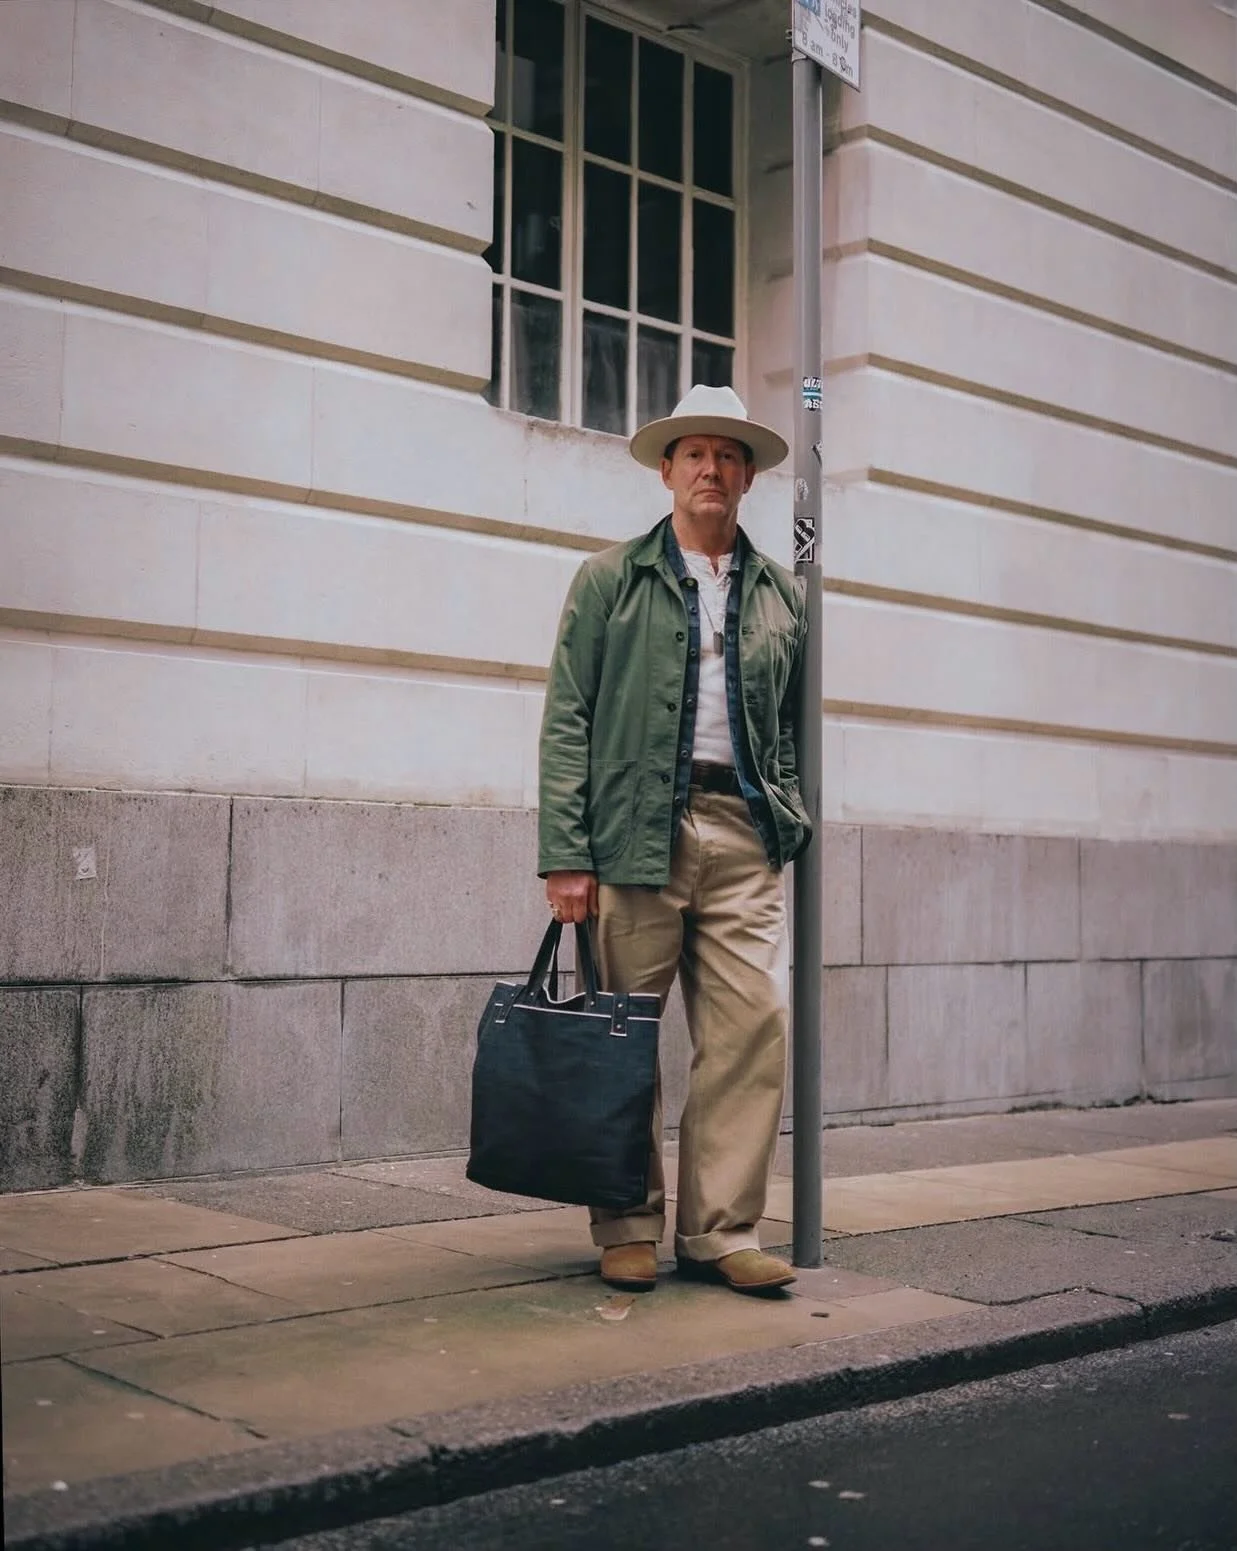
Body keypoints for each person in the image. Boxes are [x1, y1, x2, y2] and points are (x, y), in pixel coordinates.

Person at [537, 383, 812, 1296]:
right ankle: (625, 1224)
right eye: (694, 452)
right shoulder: (611, 578)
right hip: (631, 833)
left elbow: (789, 727)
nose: (711, 468)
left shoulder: (779, 593)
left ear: (748, 478)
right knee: (623, 1033)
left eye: (728, 455)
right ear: (666, 470)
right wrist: (565, 853)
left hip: (741, 828)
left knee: (750, 1029)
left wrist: (788, 816)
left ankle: (720, 1231)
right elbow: (567, 718)